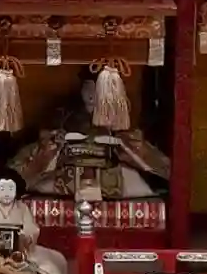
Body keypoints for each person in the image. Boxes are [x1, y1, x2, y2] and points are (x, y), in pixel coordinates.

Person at [11, 75, 170, 202]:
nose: (92, 95)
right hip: (66, 172)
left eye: (98, 88)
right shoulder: (64, 116)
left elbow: (158, 164)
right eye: (88, 88)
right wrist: (54, 146)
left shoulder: (121, 122)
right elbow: (27, 165)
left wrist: (125, 146)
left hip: (113, 173)